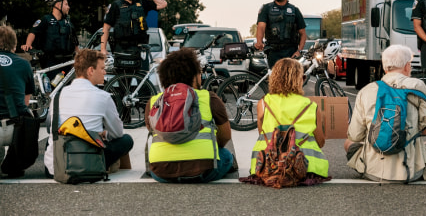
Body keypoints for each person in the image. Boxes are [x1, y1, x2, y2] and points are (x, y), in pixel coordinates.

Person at [345, 45, 426, 183]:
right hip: (411, 172)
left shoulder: (366, 90)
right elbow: (425, 130)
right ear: (407, 66)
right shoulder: (418, 86)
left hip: (372, 172)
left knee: (348, 143)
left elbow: (355, 135)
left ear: (384, 68)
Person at [146, 47, 233, 183]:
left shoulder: (154, 101)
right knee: (227, 156)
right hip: (205, 170)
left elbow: (153, 131)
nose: (201, 77)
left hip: (161, 171)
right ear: (193, 76)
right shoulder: (208, 97)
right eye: (199, 73)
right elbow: (225, 136)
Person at [44, 49, 134, 177]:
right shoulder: (103, 97)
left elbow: (53, 129)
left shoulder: (57, 96)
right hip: (87, 163)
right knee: (126, 140)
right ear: (91, 70)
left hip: (56, 168)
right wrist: (104, 134)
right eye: (102, 68)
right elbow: (117, 133)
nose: (105, 72)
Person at [243, 57, 330, 185]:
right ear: (300, 80)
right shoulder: (311, 106)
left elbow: (262, 133)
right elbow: (320, 142)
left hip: (267, 166)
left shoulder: (263, 103)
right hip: (307, 168)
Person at [100, 0, 167, 58]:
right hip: (121, 49)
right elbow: (106, 28)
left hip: (140, 49)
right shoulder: (116, 5)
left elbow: (163, 4)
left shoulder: (143, 3)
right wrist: (103, 49)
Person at [0, 26, 34, 178]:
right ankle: (15, 164)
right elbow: (25, 102)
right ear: (14, 44)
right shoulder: (24, 64)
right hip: (16, 130)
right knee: (28, 113)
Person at [21, 0, 79, 79]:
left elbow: (75, 42)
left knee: (66, 87)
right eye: (66, 4)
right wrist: (28, 44)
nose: (68, 7)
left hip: (67, 62)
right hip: (51, 62)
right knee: (54, 85)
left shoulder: (69, 24)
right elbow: (33, 32)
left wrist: (78, 56)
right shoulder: (45, 20)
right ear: (59, 5)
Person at [255, 0, 306, 68]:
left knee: (290, 80)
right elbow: (261, 27)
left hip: (290, 52)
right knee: (275, 80)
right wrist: (259, 41)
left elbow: (303, 34)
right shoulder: (266, 8)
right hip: (273, 52)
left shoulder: (294, 10)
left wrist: (299, 51)